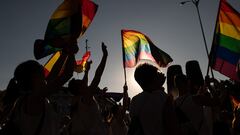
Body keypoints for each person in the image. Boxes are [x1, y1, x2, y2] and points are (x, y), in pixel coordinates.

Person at [0, 44, 77, 135]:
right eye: (39, 66)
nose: (42, 67)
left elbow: (54, 73)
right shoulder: (35, 98)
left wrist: (65, 53)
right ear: (33, 76)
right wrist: (71, 52)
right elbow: (66, 73)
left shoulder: (26, 100)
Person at [69, 42, 109, 135]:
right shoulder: (85, 99)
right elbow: (97, 76)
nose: (84, 82)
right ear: (80, 89)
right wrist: (105, 56)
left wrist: (86, 71)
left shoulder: (80, 102)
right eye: (82, 83)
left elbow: (86, 81)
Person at [128, 63, 179, 135]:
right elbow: (173, 128)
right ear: (154, 78)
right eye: (157, 74)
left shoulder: (135, 100)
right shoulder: (164, 98)